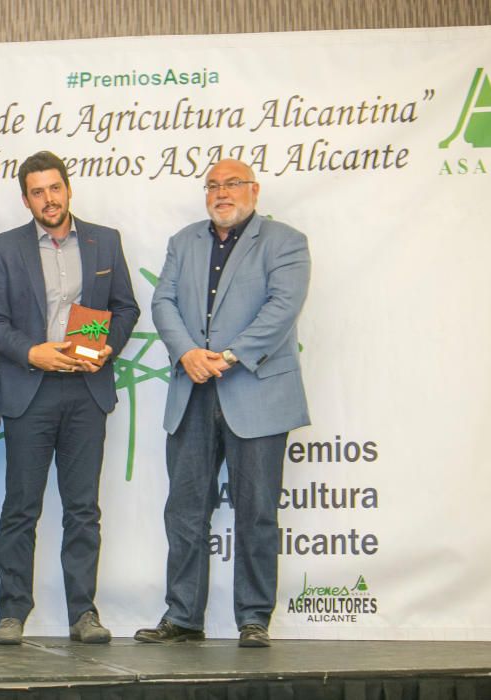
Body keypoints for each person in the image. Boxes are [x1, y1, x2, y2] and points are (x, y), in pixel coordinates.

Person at [137, 159, 311, 648]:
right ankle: (183, 616)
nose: (221, 193)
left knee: (256, 510)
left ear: (254, 190)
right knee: (185, 510)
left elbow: (283, 307)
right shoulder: (183, 241)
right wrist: (188, 353)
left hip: (256, 390)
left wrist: (231, 356)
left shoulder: (286, 242)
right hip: (192, 388)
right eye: (212, 185)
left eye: (232, 184)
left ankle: (254, 618)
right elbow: (162, 303)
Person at [0, 151, 139, 644]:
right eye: (37, 191)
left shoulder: (104, 241)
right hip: (32, 391)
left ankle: (82, 614)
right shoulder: (3, 248)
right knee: (20, 508)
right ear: (25, 198)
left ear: (68, 189)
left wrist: (107, 347)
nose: (48, 199)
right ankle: (12, 613)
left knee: (82, 509)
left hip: (87, 391)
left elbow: (125, 307)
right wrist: (33, 353)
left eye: (55, 188)